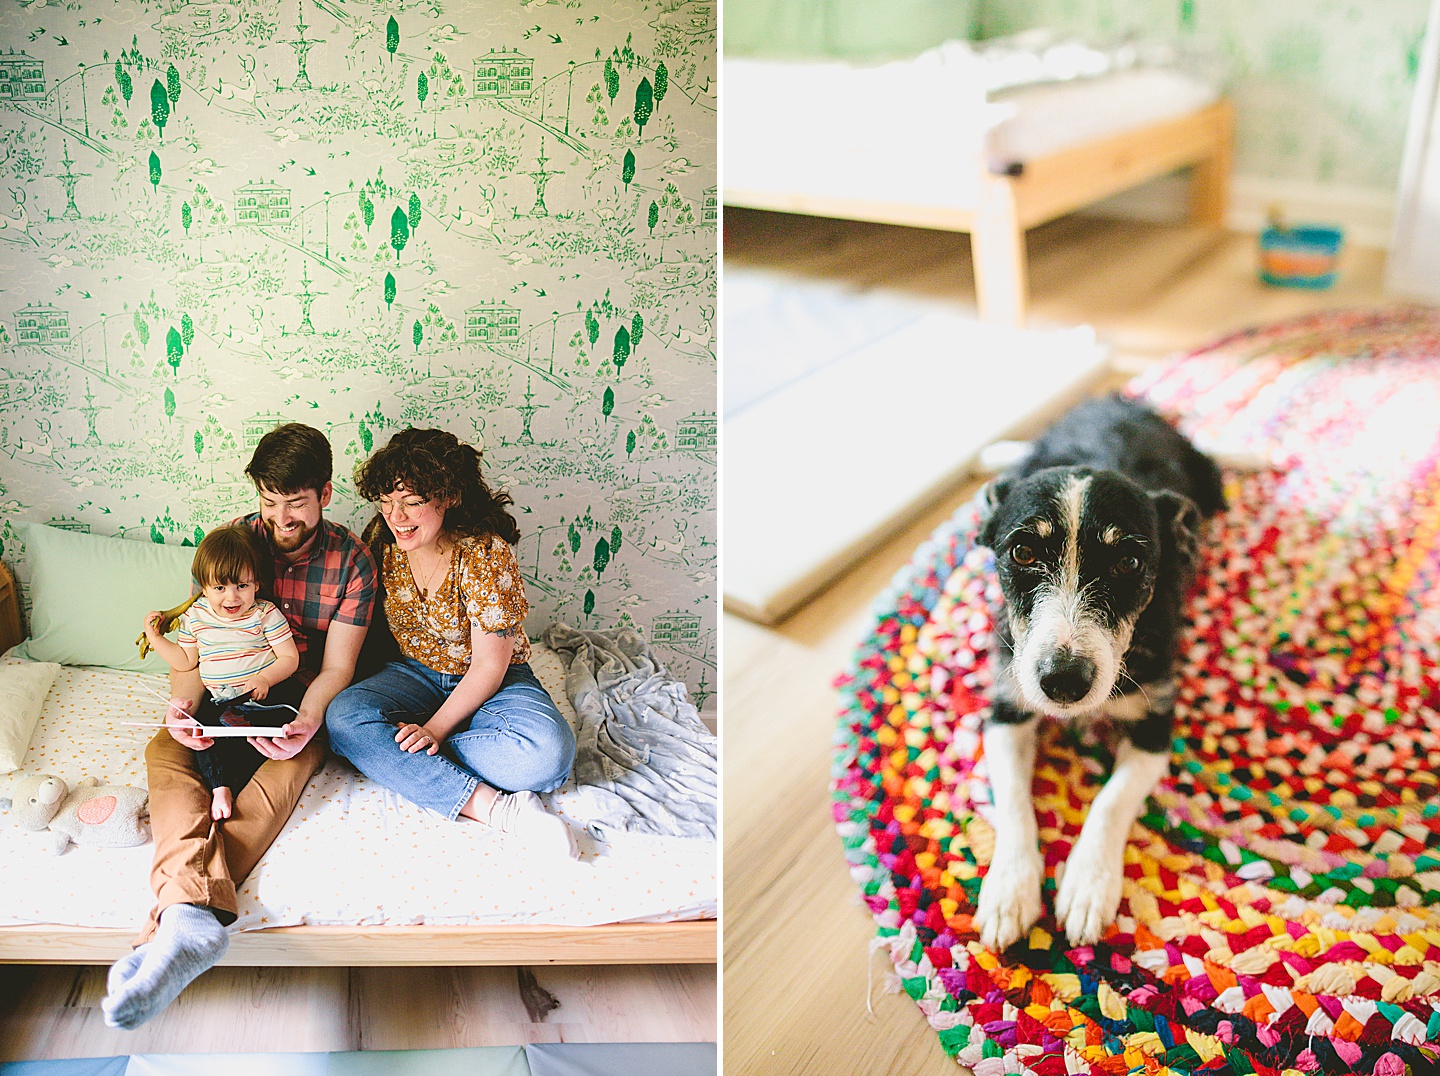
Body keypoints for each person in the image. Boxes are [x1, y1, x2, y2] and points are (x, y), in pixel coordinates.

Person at [103, 423, 377, 1031]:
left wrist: (307, 721)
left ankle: (177, 921)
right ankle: (189, 921)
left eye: (297, 504)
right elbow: (201, 645)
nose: (281, 518)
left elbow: (338, 667)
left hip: (294, 702)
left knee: (275, 782)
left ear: (325, 495)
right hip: (222, 696)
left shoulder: (353, 562)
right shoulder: (234, 544)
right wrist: (182, 711)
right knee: (168, 755)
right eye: (269, 501)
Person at [326, 427, 577, 858]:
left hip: (493, 680)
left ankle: (400, 757)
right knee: (343, 719)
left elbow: (489, 667)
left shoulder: (484, 553)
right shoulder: (382, 540)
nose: (396, 517)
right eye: (387, 503)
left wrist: (434, 731)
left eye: (412, 503)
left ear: (448, 497)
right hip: (412, 673)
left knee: (548, 756)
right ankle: (497, 810)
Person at [142, 525, 303, 823]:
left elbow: (289, 658)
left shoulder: (265, 613)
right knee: (204, 733)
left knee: (269, 727)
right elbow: (186, 661)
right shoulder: (196, 616)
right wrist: (156, 639)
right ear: (203, 588)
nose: (232, 597)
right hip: (223, 701)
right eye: (220, 588)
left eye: (242, 586)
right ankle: (220, 787)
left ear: (256, 583)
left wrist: (266, 678)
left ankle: (243, 778)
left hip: (264, 695)